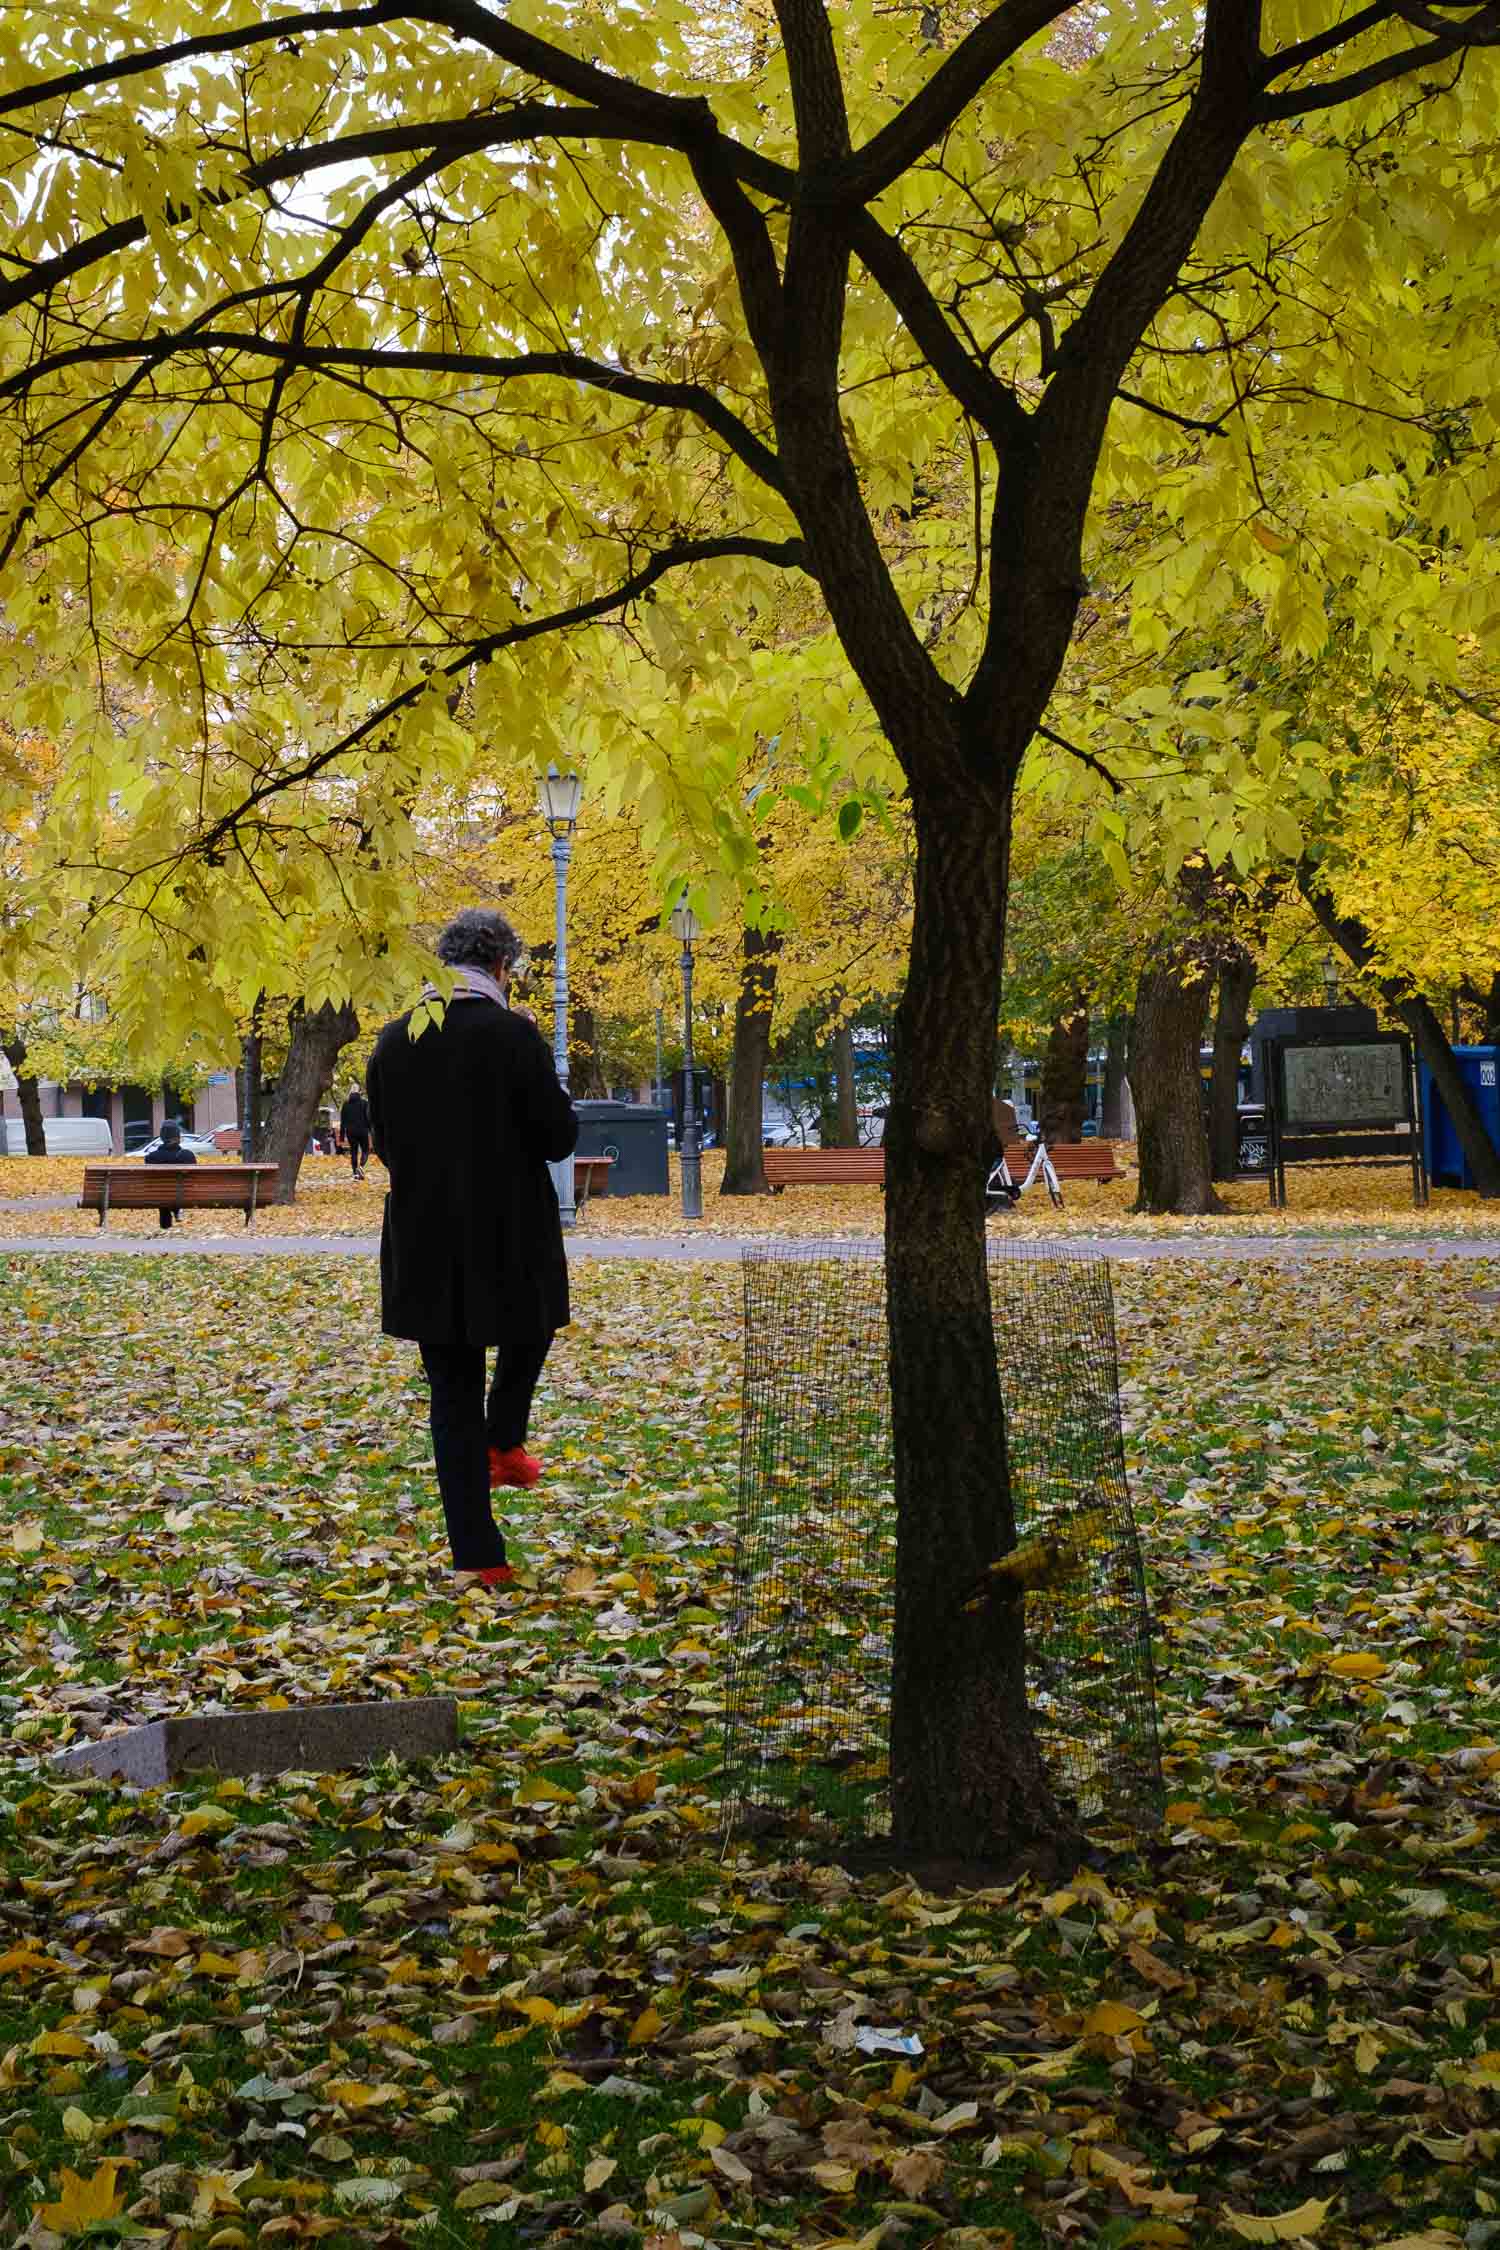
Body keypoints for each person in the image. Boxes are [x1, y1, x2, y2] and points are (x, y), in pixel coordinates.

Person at [367, 907, 578, 1588]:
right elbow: (557, 1138)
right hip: (510, 1233)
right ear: (499, 968)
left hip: (427, 1238)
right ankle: (504, 1435)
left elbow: (388, 1148)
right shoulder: (515, 1038)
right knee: (533, 1329)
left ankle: (478, 1556)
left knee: (451, 1393)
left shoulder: (394, 1043)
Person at [144, 1118, 195, 1229]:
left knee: (162, 1192)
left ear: (162, 1137)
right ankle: (177, 1209)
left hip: (160, 1196)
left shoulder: (151, 1158)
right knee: (173, 1190)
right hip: (184, 1195)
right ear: (178, 1137)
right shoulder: (188, 1156)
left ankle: (165, 1226)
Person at [340, 1085, 372, 1178]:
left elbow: (343, 1121)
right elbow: (368, 1118)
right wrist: (370, 1130)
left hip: (351, 1132)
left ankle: (354, 1173)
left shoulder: (346, 1104)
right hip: (362, 1130)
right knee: (365, 1150)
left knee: (353, 1152)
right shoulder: (364, 1103)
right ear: (359, 1092)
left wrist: (342, 1136)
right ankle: (361, 1167)